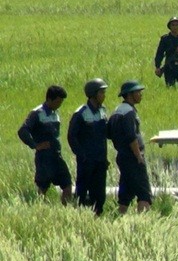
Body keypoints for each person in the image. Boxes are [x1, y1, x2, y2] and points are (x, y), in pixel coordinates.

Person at [18, 85, 73, 205]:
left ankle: (66, 211)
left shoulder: (55, 113)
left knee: (67, 185)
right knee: (42, 188)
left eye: (61, 102)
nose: (60, 104)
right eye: (58, 101)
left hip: (57, 156)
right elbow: (22, 131)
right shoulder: (37, 113)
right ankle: (39, 210)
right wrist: (35, 145)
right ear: (49, 99)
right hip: (44, 158)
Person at [107, 80, 151, 214]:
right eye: (138, 92)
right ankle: (143, 222)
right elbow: (131, 136)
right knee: (144, 193)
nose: (140, 95)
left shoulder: (117, 111)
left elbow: (109, 133)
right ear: (130, 94)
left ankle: (120, 218)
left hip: (122, 156)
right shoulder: (129, 113)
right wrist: (138, 156)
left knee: (126, 192)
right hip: (133, 157)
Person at [68, 78, 109, 215]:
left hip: (100, 160)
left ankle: (98, 216)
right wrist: (81, 155)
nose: (104, 95)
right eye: (101, 92)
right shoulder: (81, 113)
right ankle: (81, 216)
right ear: (93, 94)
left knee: (99, 194)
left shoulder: (103, 111)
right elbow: (72, 136)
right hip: (87, 161)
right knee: (83, 192)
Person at [154, 16, 178, 88]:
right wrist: (157, 66)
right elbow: (159, 53)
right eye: (173, 25)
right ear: (170, 26)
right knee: (170, 89)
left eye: (177, 25)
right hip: (169, 68)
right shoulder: (165, 39)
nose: (175, 27)